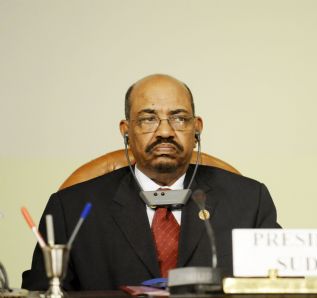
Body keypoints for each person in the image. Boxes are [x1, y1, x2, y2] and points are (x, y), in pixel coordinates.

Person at [22, 74, 280, 291]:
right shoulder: (72, 208)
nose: (165, 132)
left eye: (179, 118)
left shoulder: (249, 201)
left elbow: (279, 286)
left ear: (197, 128)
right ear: (126, 130)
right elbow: (41, 293)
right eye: (148, 119)